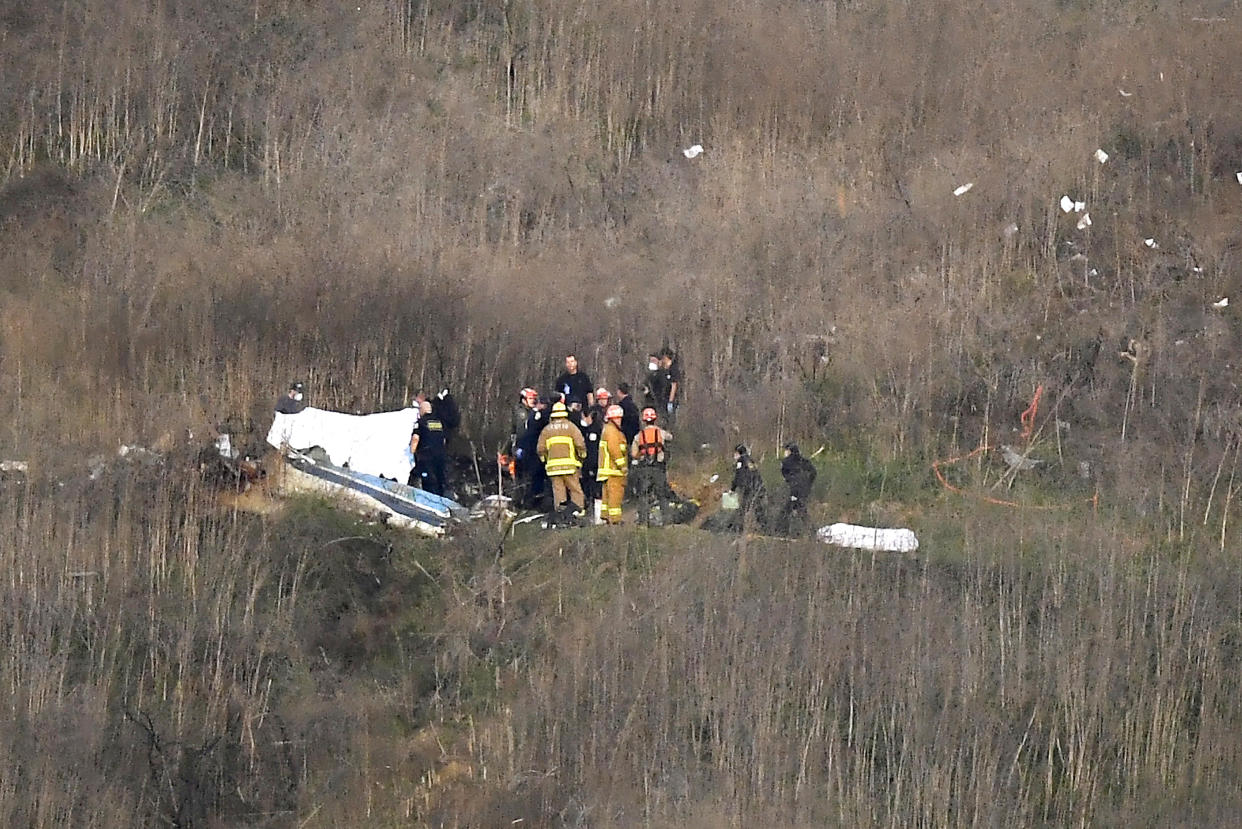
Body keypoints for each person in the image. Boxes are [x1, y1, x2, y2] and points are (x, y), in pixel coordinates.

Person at [537, 401, 587, 515]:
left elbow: (540, 449)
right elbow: (580, 444)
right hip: (570, 466)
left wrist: (544, 460)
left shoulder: (546, 430)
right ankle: (577, 512)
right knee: (575, 489)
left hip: (553, 468)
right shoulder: (571, 427)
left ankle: (561, 514)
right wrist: (582, 456)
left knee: (559, 491)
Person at [629, 406, 673, 526]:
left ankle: (643, 523)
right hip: (659, 469)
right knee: (662, 495)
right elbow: (670, 438)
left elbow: (633, 454)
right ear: (655, 419)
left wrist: (641, 455)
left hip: (644, 469)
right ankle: (667, 522)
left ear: (644, 420)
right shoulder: (660, 433)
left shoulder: (639, 436)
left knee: (643, 495)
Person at [513, 387, 548, 509]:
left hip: (530, 447)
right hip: (525, 447)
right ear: (524, 400)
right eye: (531, 399)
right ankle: (522, 501)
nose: (533, 401)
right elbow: (521, 431)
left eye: (534, 399)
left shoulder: (532, 412)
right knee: (524, 476)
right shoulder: (522, 414)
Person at [596, 404, 629, 524]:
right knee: (615, 496)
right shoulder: (612, 431)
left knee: (607, 497)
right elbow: (614, 449)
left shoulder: (608, 429)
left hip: (608, 471)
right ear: (613, 418)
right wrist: (623, 466)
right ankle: (615, 520)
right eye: (619, 418)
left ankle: (606, 516)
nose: (620, 420)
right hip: (613, 470)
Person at [409, 400, 448, 496]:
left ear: (422, 410)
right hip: (441, 456)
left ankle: (428, 502)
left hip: (426, 457)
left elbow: (415, 438)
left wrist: (412, 451)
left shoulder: (420, 422)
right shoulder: (439, 422)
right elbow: (444, 440)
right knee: (440, 481)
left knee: (427, 483)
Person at [779, 442, 817, 535]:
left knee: (787, 512)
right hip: (804, 491)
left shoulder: (786, 462)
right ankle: (812, 532)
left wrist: (794, 493)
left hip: (795, 491)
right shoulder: (804, 461)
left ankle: (782, 531)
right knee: (800, 510)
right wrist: (808, 484)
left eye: (786, 450)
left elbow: (790, 478)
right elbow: (813, 473)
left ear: (789, 451)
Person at [730, 444, 768, 531]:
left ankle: (738, 527)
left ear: (738, 453)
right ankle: (764, 526)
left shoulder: (740, 462)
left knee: (743, 507)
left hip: (748, 488)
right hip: (758, 487)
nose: (734, 455)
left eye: (735, 453)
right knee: (757, 508)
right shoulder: (750, 461)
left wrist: (733, 488)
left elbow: (738, 476)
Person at [577, 401, 603, 515]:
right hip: (591, 464)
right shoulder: (589, 429)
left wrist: (589, 465)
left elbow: (592, 450)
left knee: (593, 488)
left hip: (592, 464)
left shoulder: (594, 430)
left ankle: (594, 509)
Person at [657, 347, 682, 425]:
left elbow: (674, 385)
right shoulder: (664, 370)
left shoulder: (673, 369)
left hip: (670, 399)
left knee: (670, 419)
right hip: (664, 398)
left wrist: (670, 401)